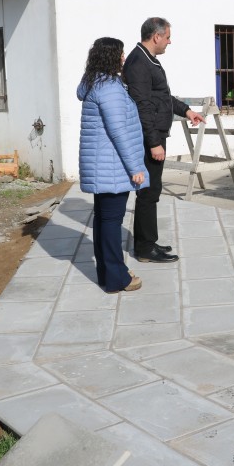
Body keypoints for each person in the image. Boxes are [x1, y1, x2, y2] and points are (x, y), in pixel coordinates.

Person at [123, 17, 205, 263]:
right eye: (167, 37)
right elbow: (143, 106)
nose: (170, 41)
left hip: (155, 134)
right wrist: (154, 142)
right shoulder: (138, 63)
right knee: (149, 191)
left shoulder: (148, 60)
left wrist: (187, 110)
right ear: (156, 36)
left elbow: (162, 96)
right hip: (150, 137)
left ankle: (148, 241)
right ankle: (145, 249)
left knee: (152, 189)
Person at [78, 37, 147, 292]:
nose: (123, 57)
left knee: (104, 220)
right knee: (110, 222)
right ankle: (117, 278)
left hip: (104, 166)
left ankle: (109, 272)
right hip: (112, 167)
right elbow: (119, 132)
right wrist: (135, 169)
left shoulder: (95, 83)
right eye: (120, 53)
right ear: (112, 57)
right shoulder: (109, 89)